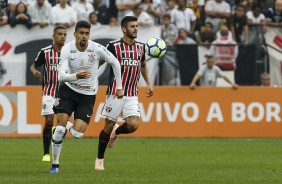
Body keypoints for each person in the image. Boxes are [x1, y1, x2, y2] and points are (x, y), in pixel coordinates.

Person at [50, 20, 124, 173]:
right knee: (59, 130)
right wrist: (76, 76)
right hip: (68, 91)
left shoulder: (96, 48)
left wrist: (119, 87)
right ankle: (55, 164)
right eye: (81, 33)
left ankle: (64, 126)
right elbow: (61, 77)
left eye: (87, 33)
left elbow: (115, 62)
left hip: (87, 95)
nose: (84, 36)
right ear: (75, 34)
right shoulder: (67, 49)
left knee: (77, 133)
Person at [95, 16, 153, 171]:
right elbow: (100, 61)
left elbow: (143, 66)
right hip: (115, 92)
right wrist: (91, 74)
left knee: (133, 125)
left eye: (137, 26)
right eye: (132, 26)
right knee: (107, 126)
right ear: (124, 29)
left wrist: (149, 84)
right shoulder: (113, 46)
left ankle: (117, 131)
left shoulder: (141, 47)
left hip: (132, 93)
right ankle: (100, 158)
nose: (135, 29)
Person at [30, 25, 67, 162]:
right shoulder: (45, 52)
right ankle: (46, 153)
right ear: (53, 36)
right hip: (49, 90)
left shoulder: (70, 52)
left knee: (62, 124)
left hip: (65, 93)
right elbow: (34, 65)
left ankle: (55, 137)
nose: (62, 37)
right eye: (60, 34)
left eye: (64, 34)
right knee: (49, 120)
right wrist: (34, 71)